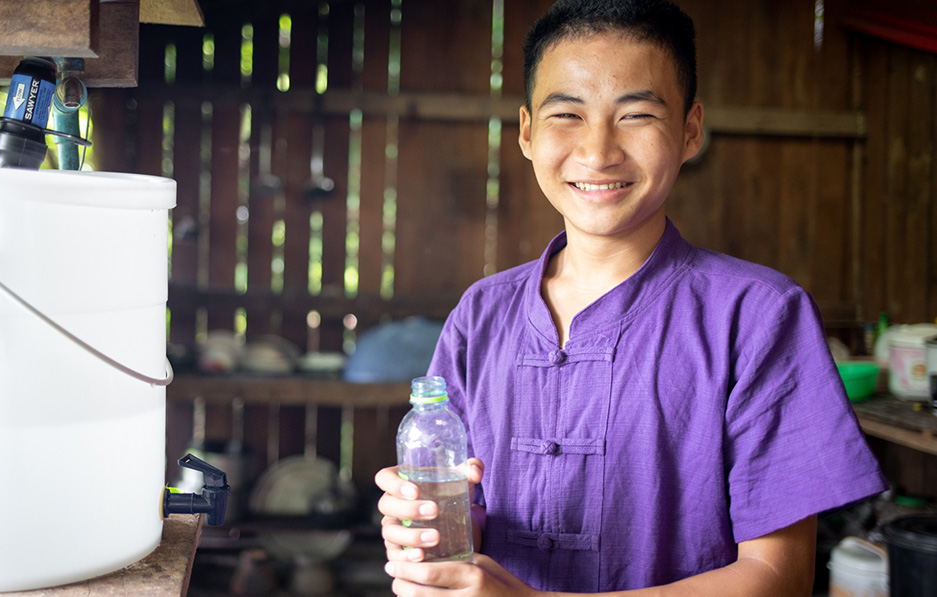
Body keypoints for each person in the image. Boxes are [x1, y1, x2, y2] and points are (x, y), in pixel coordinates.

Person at [374, 0, 888, 594]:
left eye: (637, 114)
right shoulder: (482, 314)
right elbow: (468, 519)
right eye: (566, 114)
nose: (598, 151)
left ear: (690, 130)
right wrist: (433, 526)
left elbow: (779, 577)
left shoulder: (758, 315)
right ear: (526, 132)